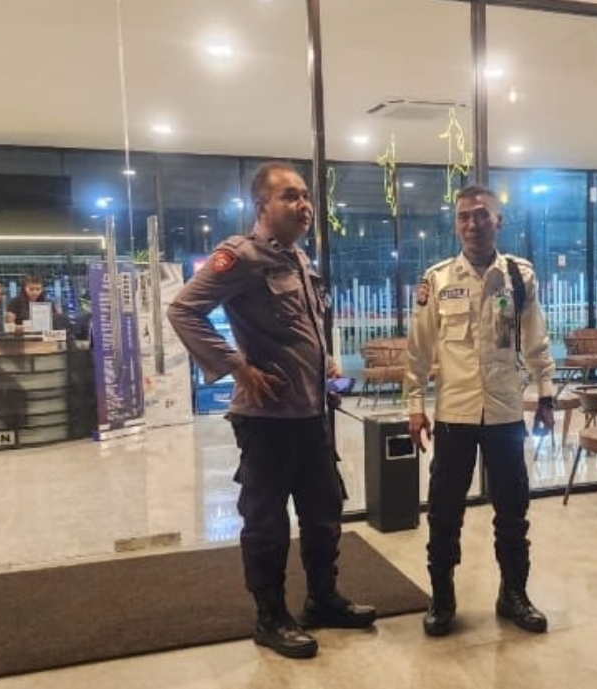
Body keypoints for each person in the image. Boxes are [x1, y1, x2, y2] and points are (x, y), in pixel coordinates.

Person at [167, 161, 375, 660]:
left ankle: (322, 600)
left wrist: (324, 363)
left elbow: (303, 327)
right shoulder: (240, 256)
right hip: (267, 420)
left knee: (323, 513)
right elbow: (182, 310)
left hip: (311, 413)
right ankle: (271, 617)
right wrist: (237, 367)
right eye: (290, 196)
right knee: (267, 523)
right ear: (262, 206)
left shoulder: (299, 259)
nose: (303, 205)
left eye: (305, 196)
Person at [405, 183, 556, 637]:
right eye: (464, 217)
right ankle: (442, 599)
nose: (473, 224)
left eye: (481, 215)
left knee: (513, 510)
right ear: (457, 224)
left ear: (498, 221)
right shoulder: (437, 279)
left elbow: (535, 339)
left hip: (505, 411)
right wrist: (415, 405)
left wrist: (546, 395)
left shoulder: (518, 276)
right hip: (454, 413)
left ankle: (514, 594)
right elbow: (418, 349)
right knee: (444, 513)